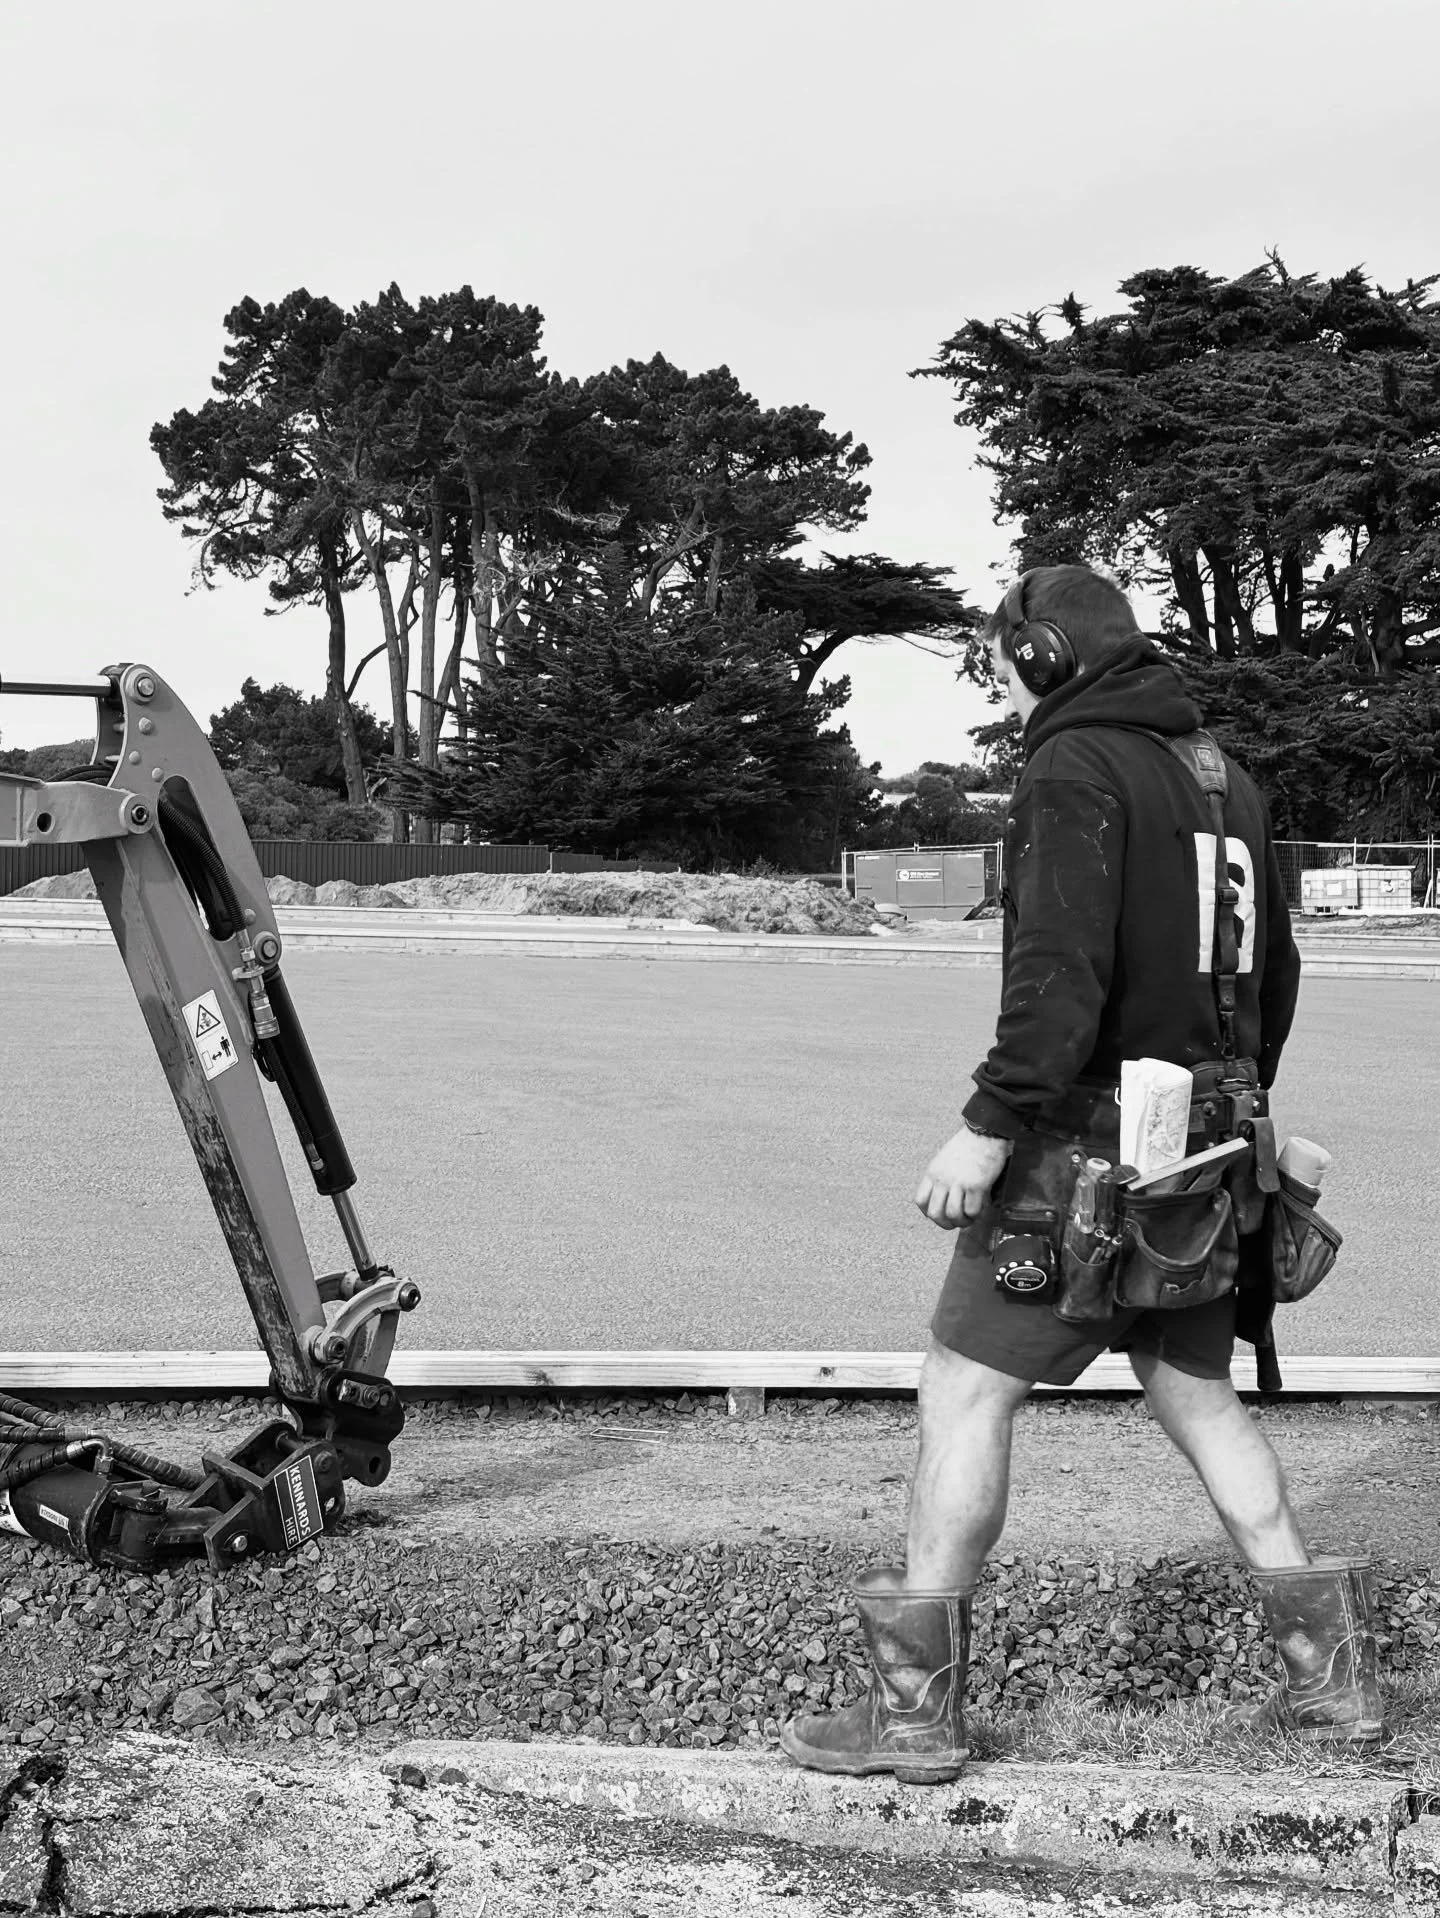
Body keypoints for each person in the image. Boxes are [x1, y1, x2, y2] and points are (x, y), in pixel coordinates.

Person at [780, 564, 1381, 1785]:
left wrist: (990, 1123)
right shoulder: (1224, 774)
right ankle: (1334, 1686)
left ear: (1044, 655)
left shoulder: (1072, 766)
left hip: (1084, 1147)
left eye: (1003, 665)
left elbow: (1059, 974)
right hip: (1209, 1144)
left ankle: (913, 1716)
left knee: (963, 1391)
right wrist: (1235, 1103)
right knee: (1201, 1396)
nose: (1004, 688)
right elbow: (1278, 973)